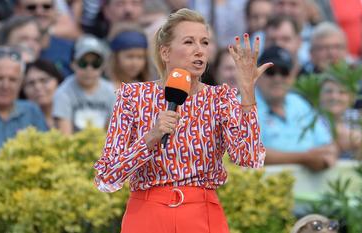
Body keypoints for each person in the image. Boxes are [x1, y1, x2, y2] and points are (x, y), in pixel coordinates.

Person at [93, 8, 271, 233]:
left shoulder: (220, 98)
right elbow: (106, 177)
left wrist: (247, 93)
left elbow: (249, 158)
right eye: (189, 42)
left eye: (205, 43)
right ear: (166, 52)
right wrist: (150, 138)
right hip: (147, 214)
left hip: (202, 215)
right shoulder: (133, 96)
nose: (199, 51)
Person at [256, 45, 337, 171]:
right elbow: (248, 152)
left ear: (292, 76)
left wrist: (320, 159)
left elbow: (328, 146)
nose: (277, 78)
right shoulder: (242, 105)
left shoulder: (300, 103)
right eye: (270, 72)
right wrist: (305, 158)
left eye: (284, 72)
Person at [52, 35, 115, 135]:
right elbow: (65, 137)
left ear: (103, 66)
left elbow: (113, 132)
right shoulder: (63, 92)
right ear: (73, 64)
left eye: (96, 64)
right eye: (83, 63)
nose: (89, 69)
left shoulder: (111, 91)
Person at [0, 46, 48, 156]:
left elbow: (47, 153)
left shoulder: (32, 111)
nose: (5, 86)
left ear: (21, 83)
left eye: (12, 79)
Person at [21, 59, 64, 129]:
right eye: (31, 83)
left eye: (44, 80)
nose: (38, 87)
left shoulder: (73, 114)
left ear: (58, 81)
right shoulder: (19, 122)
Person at [106, 24, 151, 88]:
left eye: (140, 57)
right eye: (130, 56)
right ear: (115, 58)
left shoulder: (147, 88)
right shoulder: (107, 87)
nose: (135, 63)